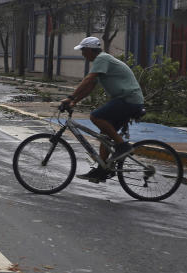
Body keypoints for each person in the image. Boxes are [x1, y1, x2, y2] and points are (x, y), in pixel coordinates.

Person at [60, 36, 145, 182]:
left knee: (95, 117)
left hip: (129, 100)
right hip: (125, 100)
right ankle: (102, 170)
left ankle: (123, 146)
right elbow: (90, 86)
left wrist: (70, 97)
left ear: (90, 50)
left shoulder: (102, 58)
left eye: (83, 51)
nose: (82, 54)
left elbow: (88, 79)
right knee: (105, 136)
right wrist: (75, 101)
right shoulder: (101, 63)